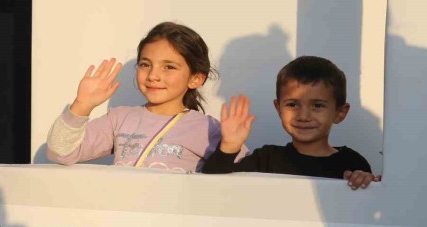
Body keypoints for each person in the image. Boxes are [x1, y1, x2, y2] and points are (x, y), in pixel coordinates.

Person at [46, 22, 246, 173]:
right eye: (145, 64)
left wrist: (230, 146)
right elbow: (61, 153)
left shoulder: (208, 128)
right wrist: (82, 105)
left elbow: (241, 178)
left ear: (196, 78)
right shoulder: (119, 118)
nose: (153, 75)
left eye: (169, 67)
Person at [202, 56, 380, 189]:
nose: (303, 116)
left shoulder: (352, 163)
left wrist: (366, 182)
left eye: (317, 105)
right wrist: (229, 147)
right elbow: (210, 188)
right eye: (292, 104)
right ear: (278, 108)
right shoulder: (266, 159)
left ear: (340, 112)